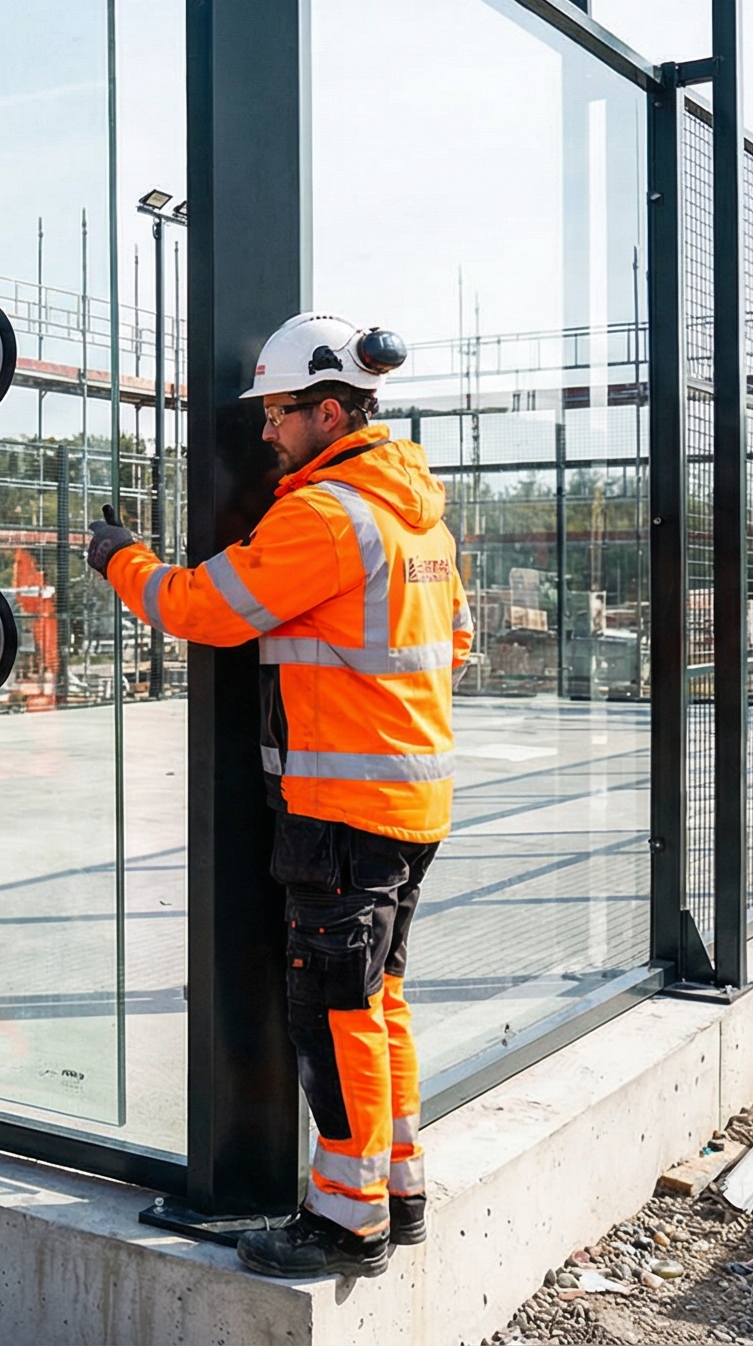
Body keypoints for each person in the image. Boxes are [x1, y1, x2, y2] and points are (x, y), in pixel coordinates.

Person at [86, 312, 470, 1281]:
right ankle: (399, 1186)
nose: (263, 431)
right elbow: (454, 641)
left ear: (329, 409)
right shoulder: (416, 511)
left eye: (278, 412)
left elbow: (201, 608)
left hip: (344, 808)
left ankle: (346, 1223)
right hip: (410, 796)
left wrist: (118, 560)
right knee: (376, 999)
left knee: (329, 1012)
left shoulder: (325, 513)